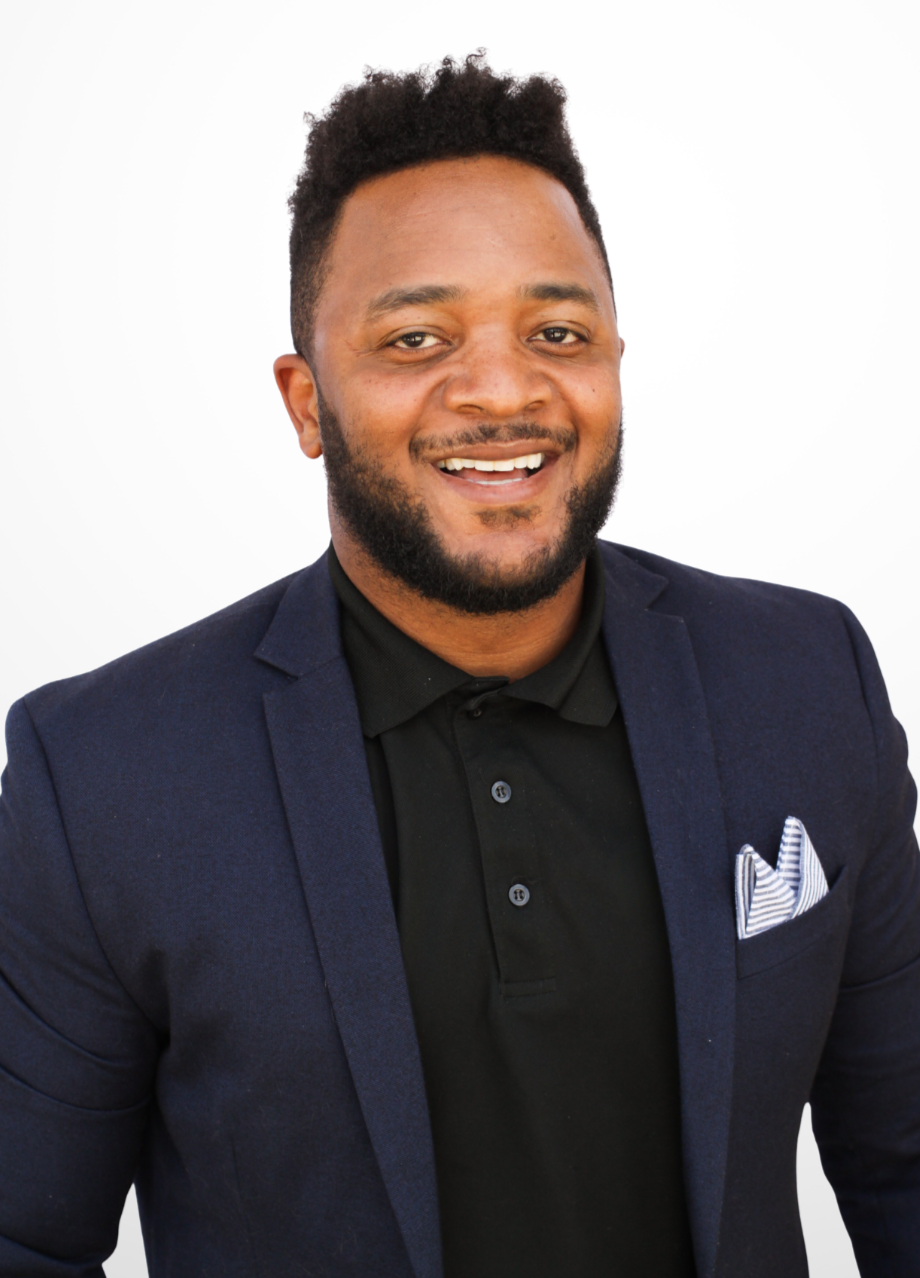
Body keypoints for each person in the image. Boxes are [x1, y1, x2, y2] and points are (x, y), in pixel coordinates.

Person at [0, 52, 917, 1278]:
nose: (501, 389)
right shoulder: (104, 779)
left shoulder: (805, 680)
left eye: (554, 330)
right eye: (417, 337)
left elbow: (903, 1159)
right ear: (306, 401)